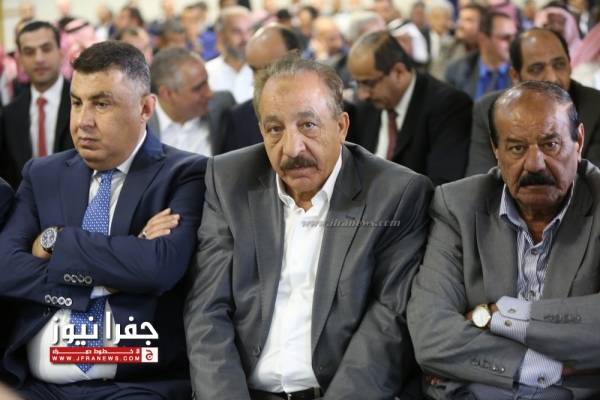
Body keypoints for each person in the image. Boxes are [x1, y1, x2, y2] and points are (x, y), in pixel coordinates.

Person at [184, 53, 432, 400]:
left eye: (308, 125)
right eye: (275, 129)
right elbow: (207, 310)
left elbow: (387, 323)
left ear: (341, 126)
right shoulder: (229, 180)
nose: (292, 148)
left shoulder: (396, 193)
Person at [0, 41, 206, 400]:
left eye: (101, 103)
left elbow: (157, 268)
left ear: (145, 108)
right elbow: (7, 268)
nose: (83, 121)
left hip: (133, 384)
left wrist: (57, 241)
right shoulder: (43, 174)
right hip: (35, 386)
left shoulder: (184, 173)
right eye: (77, 102)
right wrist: (110, 279)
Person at [408, 80, 600, 400]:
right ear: (496, 150)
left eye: (550, 144)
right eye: (517, 148)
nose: (535, 164)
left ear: (578, 141)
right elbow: (431, 336)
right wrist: (543, 366)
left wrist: (503, 315)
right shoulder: (457, 206)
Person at [466, 28, 600, 175]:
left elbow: (595, 182)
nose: (552, 78)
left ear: (569, 65)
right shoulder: (489, 110)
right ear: (515, 76)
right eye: (537, 69)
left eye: (559, 64)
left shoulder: (595, 106)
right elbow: (480, 180)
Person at [347, 30, 472, 185]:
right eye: (358, 83)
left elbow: (443, 185)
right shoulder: (365, 108)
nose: (362, 95)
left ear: (399, 72)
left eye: (368, 83)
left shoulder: (448, 106)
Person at [0, 21, 72, 189]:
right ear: (20, 60)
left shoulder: (83, 104)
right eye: (29, 52)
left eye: (46, 49)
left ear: (61, 53)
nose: (39, 59)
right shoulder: (10, 114)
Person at [220, 24, 301, 153]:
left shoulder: (327, 105)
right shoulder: (239, 120)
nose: (260, 79)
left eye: (269, 69)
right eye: (254, 70)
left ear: (296, 60)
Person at [149, 47, 235, 156]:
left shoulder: (222, 104)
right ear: (167, 94)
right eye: (198, 88)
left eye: (206, 82)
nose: (209, 93)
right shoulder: (140, 127)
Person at [445, 10, 516, 100]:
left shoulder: (521, 71)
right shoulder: (456, 71)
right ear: (483, 39)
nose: (513, 43)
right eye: (505, 38)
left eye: (514, 36)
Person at [205, 6, 253, 103]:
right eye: (237, 31)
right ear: (220, 35)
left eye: (248, 31)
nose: (245, 38)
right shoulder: (207, 73)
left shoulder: (266, 70)